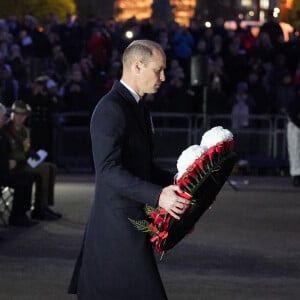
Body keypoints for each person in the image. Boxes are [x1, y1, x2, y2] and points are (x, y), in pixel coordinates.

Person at [68, 39, 190, 299]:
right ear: (137, 66)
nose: (163, 77)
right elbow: (108, 170)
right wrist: (159, 196)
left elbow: (142, 167)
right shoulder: (111, 109)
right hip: (115, 228)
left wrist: (183, 183)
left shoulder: (137, 108)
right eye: (158, 70)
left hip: (127, 225)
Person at [2, 100, 62, 221]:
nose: (20, 118)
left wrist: (31, 153)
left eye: (23, 115)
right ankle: (39, 209)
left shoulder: (25, 131)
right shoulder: (6, 129)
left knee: (52, 167)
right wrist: (27, 155)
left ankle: (44, 205)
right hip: (15, 164)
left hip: (24, 163)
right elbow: (11, 153)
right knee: (44, 169)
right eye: (17, 114)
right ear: (12, 115)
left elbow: (26, 148)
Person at [0, 102, 37, 227]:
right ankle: (18, 216)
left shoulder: (7, 132)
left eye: (2, 117)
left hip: (7, 168)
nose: (2, 120)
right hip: (4, 169)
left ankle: (20, 214)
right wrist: (7, 162)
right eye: (0, 117)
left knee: (27, 176)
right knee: (25, 177)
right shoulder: (5, 131)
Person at [286, 84, 300, 187]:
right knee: (295, 151)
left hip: (296, 126)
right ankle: (296, 176)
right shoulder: (294, 101)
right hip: (295, 128)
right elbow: (292, 115)